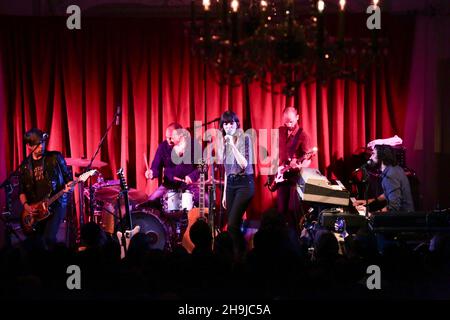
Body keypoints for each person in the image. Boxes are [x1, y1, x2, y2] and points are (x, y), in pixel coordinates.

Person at [18, 128, 73, 246]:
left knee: (49, 239)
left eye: (42, 143)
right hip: (36, 210)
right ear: (29, 146)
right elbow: (21, 191)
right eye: (37, 145)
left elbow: (68, 178)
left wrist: (69, 186)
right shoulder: (24, 166)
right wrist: (27, 207)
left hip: (56, 204)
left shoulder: (55, 157)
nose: (41, 147)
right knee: (35, 244)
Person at [219, 111, 254, 257]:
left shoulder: (244, 138)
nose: (228, 126)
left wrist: (232, 145)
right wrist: (224, 194)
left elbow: (244, 164)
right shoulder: (224, 142)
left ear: (236, 124)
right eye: (225, 124)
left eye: (231, 123)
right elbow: (227, 171)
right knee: (233, 224)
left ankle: (243, 253)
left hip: (245, 184)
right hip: (231, 184)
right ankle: (237, 256)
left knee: (232, 225)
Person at [145, 123, 204, 208]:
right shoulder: (163, 147)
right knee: (149, 203)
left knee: (206, 200)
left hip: (189, 186)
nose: (169, 141)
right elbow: (155, 167)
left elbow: (202, 166)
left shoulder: (194, 145)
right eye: (167, 137)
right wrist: (151, 172)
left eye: (171, 138)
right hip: (169, 185)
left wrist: (192, 176)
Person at [276, 107, 312, 241]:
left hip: (294, 180)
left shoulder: (303, 136)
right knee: (280, 212)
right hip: (281, 178)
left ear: (297, 117)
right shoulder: (280, 131)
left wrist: (299, 166)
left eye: (290, 121)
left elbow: (307, 159)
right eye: (286, 122)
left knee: (292, 214)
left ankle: (295, 243)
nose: (288, 125)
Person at [353, 144, 414, 212]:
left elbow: (394, 207)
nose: (370, 158)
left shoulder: (390, 176)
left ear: (381, 157)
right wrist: (368, 201)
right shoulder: (394, 169)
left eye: (373, 154)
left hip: (401, 220)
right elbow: (388, 193)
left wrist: (372, 214)